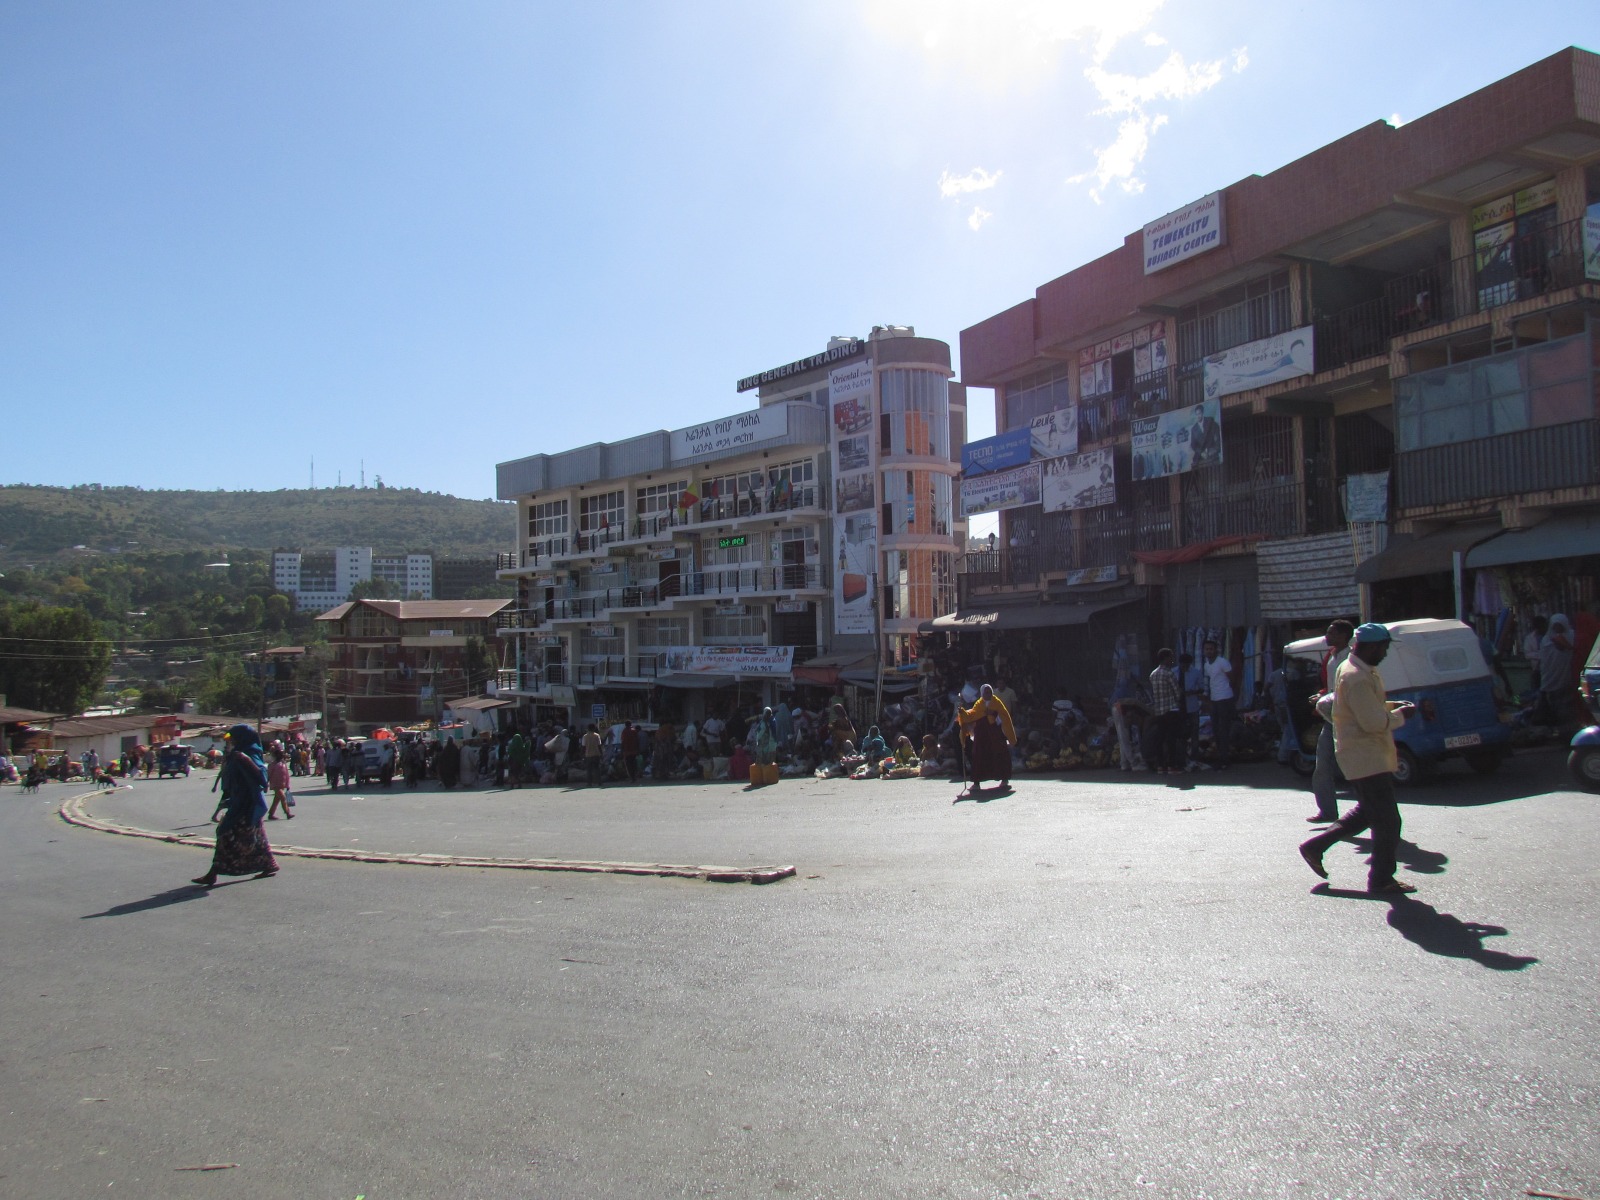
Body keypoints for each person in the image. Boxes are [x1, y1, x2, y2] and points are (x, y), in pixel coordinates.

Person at [1298, 623, 1418, 895]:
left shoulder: (1355, 669)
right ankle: (1381, 879)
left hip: (1364, 755)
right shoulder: (1356, 676)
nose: (1385, 654)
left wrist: (1391, 707)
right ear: (1372, 647)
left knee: (1367, 812)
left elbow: (1364, 708)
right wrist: (1401, 716)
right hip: (1366, 756)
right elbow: (1372, 722)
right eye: (1384, 648)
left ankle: (1314, 847)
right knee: (1388, 821)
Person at [191, 724, 279, 888]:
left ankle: (213, 872)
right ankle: (269, 864)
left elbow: (261, 777)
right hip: (239, 801)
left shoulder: (248, 753)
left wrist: (244, 760)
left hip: (247, 804)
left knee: (226, 833)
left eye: (233, 738)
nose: (231, 741)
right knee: (256, 837)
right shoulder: (236, 754)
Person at [1308, 619, 1354, 823]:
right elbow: (1331, 688)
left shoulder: (1351, 659)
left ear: (1344, 636)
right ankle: (1327, 812)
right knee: (1322, 765)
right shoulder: (1331, 656)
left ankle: (1369, 811)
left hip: (1349, 720)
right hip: (1331, 718)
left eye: (1332, 633)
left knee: (1356, 767)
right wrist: (1321, 695)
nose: (1327, 637)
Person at [958, 683, 1016, 794]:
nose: (988, 694)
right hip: (982, 734)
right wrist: (962, 712)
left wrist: (993, 714)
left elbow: (1004, 716)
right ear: (982, 693)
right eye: (986, 692)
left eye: (989, 692)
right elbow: (971, 716)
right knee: (979, 755)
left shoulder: (997, 703)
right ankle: (976, 782)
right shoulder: (978, 704)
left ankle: (1004, 779)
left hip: (995, 734)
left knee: (1000, 753)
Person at [1146, 648, 1184, 777]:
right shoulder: (1169, 674)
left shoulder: (1153, 674)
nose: (1172, 660)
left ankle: (1161, 765)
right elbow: (1177, 693)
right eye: (1171, 657)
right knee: (1171, 739)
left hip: (1159, 711)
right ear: (1166, 658)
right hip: (1171, 710)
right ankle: (1172, 765)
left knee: (1160, 738)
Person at [1537, 614, 1574, 728]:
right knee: (1555, 707)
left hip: (1568, 678)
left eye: (1560, 625)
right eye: (1555, 626)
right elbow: (1545, 661)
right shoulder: (1546, 640)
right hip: (1551, 679)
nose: (1558, 629)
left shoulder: (1572, 636)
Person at [1202, 639, 1235, 768]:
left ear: (1216, 650)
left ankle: (1224, 759)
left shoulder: (1222, 662)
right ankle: (1220, 757)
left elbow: (1232, 678)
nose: (1209, 651)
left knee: (1223, 730)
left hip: (1225, 698)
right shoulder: (1206, 665)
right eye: (1207, 649)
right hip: (1214, 700)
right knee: (1215, 730)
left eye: (1211, 649)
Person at [266, 747, 294, 820]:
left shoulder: (283, 764)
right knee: (283, 798)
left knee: (276, 800)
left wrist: (287, 785)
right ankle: (287, 813)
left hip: (282, 785)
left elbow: (287, 775)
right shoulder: (272, 765)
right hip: (275, 785)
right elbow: (268, 775)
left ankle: (271, 814)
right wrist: (266, 783)